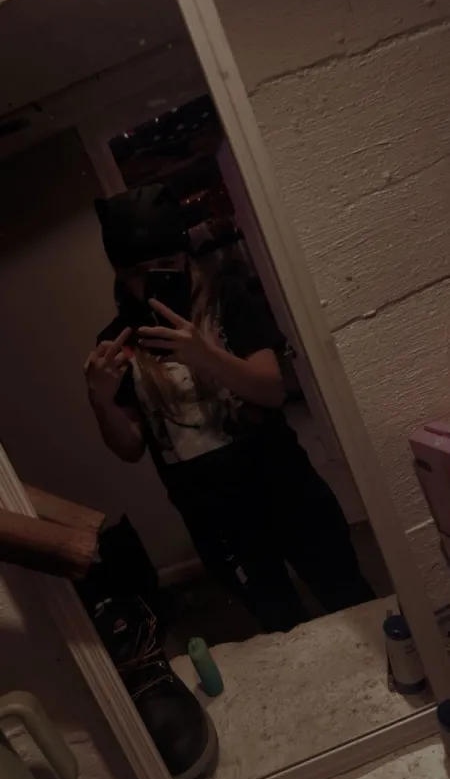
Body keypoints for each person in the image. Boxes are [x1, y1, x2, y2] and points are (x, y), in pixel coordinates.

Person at [85, 184, 374, 633]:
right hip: (214, 518)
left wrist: (205, 356)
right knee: (282, 627)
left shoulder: (227, 300)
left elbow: (272, 390)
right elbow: (130, 448)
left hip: (286, 486)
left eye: (166, 264)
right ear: (121, 275)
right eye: (138, 272)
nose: (152, 280)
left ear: (185, 257)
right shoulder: (117, 341)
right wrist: (101, 400)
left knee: (351, 597)